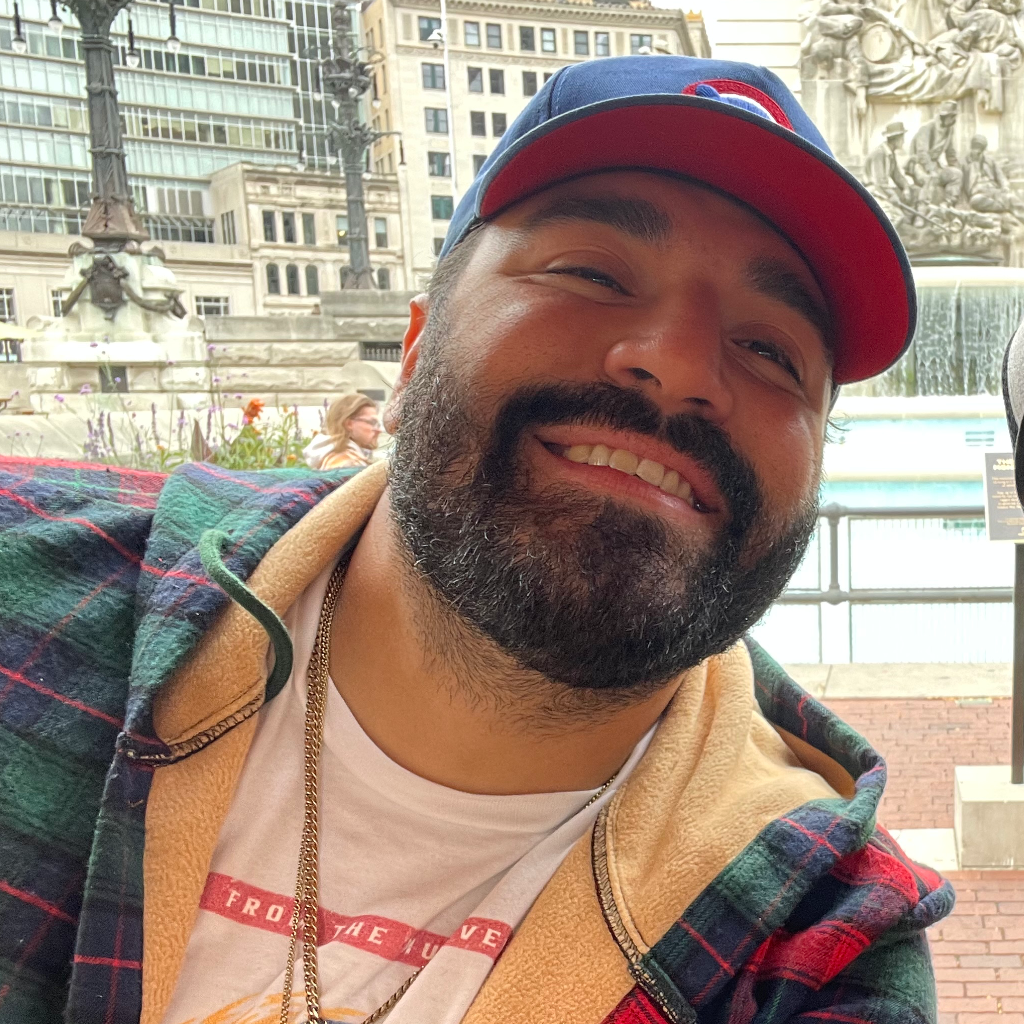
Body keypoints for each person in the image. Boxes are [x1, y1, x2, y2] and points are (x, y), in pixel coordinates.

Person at [0, 56, 952, 1024]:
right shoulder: (23, 582)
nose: (676, 364)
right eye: (592, 274)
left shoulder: (820, 943)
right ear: (414, 353)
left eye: (769, 349)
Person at [304, 392, 382, 470]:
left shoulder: (335, 457)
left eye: (378, 424)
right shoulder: (348, 463)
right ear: (349, 424)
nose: (379, 430)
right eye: (372, 422)